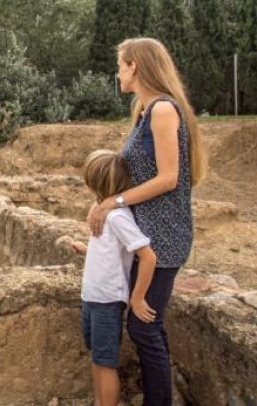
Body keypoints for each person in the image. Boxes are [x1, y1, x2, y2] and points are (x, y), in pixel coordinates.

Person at [87, 37, 208, 406]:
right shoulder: (143, 108)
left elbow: (169, 177)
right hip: (145, 232)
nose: (118, 72)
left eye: (121, 64)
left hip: (165, 235)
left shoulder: (163, 110)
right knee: (146, 326)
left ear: (135, 66)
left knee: (143, 326)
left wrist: (114, 201)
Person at [71, 149, 158, 406]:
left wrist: (138, 297)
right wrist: (88, 250)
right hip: (92, 295)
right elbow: (112, 252)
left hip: (108, 299)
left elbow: (148, 256)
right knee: (97, 357)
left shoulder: (118, 216)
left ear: (95, 183)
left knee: (105, 361)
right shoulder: (102, 211)